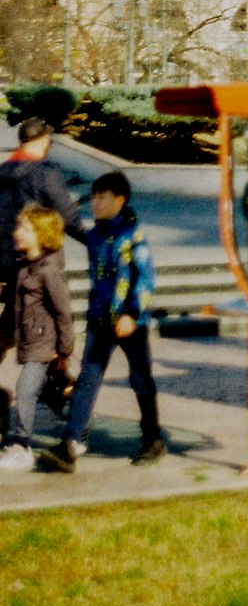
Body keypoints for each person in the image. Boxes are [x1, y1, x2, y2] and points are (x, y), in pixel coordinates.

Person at [38, 172, 164, 472]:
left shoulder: (134, 237)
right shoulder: (96, 235)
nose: (94, 202)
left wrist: (132, 314)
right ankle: (70, 444)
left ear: (120, 200)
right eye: (93, 197)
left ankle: (153, 438)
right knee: (87, 381)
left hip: (129, 323)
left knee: (140, 380)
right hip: (100, 321)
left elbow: (146, 278)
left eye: (102, 197)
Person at [0, 117, 86, 364]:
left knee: (14, 318)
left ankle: (53, 378)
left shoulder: (2, 171)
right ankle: (56, 379)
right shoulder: (46, 173)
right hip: (39, 259)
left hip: (6, 259)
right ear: (41, 140)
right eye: (47, 137)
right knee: (51, 314)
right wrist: (96, 242)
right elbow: (68, 217)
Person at [0, 206, 75, 471]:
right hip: (30, 343)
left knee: (25, 389)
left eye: (25, 229)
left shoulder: (49, 271)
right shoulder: (24, 268)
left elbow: (63, 311)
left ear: (42, 235)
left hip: (45, 345)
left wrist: (65, 349)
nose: (17, 232)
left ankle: (22, 447)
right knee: (48, 394)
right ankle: (81, 425)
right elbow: (14, 311)